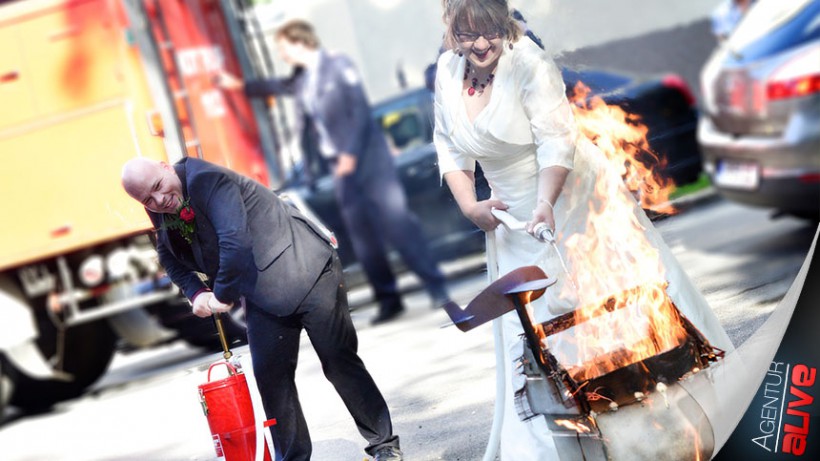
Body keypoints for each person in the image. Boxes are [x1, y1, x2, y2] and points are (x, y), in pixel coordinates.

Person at [432, 1, 735, 459]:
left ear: (504, 23)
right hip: (510, 220)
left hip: (569, 200)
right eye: (466, 32)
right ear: (450, 30)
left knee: (606, 316)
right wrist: (471, 206)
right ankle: (558, 445)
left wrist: (544, 205)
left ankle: (652, 428)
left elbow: (557, 141)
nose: (479, 44)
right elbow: (449, 146)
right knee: (533, 334)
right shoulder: (446, 72)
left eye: (489, 30)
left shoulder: (528, 63)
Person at [120, 157, 403, 461]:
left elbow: (235, 242)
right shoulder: (157, 204)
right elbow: (167, 253)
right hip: (261, 287)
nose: (159, 200)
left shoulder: (208, 179)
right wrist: (195, 291)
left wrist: (222, 295)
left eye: (159, 188)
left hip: (306, 265)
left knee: (337, 360)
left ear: (165, 167)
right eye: (148, 199)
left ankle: (384, 445)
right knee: (271, 375)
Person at [219, 19, 449, 325]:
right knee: (363, 239)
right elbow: (278, 86)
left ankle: (437, 288)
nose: (282, 55)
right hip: (341, 170)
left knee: (398, 224)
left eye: (284, 48)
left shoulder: (337, 65)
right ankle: (389, 300)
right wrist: (239, 86)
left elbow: (359, 112)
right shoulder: (303, 79)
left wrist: (350, 156)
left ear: (300, 42)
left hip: (369, 163)